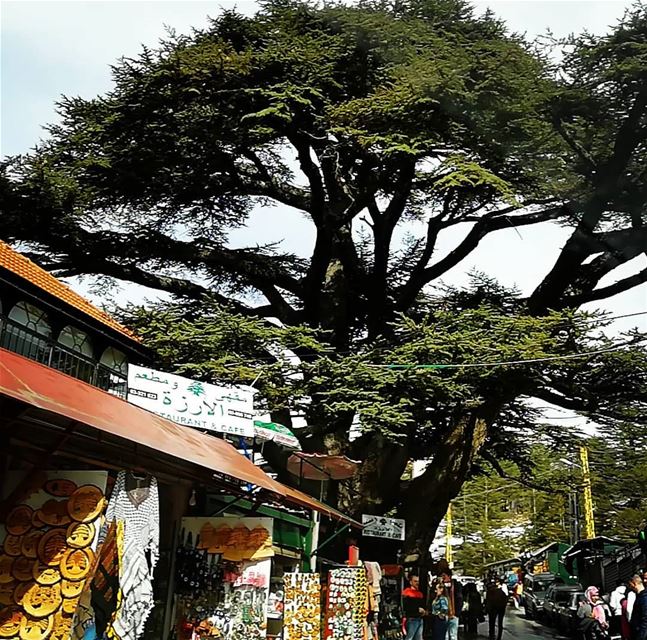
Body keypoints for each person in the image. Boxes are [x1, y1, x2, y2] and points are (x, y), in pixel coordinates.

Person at [439, 570, 462, 640]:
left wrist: (457, 613)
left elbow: (459, 599)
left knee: (453, 635)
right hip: (444, 614)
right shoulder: (440, 586)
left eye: (444, 576)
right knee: (444, 635)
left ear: (449, 576)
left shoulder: (456, 586)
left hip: (454, 613)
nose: (443, 578)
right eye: (442, 576)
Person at [402, 574, 426, 640]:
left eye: (418, 581)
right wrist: (417, 609)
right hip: (412, 619)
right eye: (415, 581)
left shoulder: (420, 593)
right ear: (410, 582)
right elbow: (405, 606)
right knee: (410, 637)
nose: (417, 583)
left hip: (419, 619)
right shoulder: (407, 592)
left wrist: (423, 611)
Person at [629, 574, 647, 640]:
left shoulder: (644, 598)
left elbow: (645, 619)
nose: (630, 587)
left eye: (630, 584)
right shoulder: (640, 597)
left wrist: (641, 636)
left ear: (634, 583)